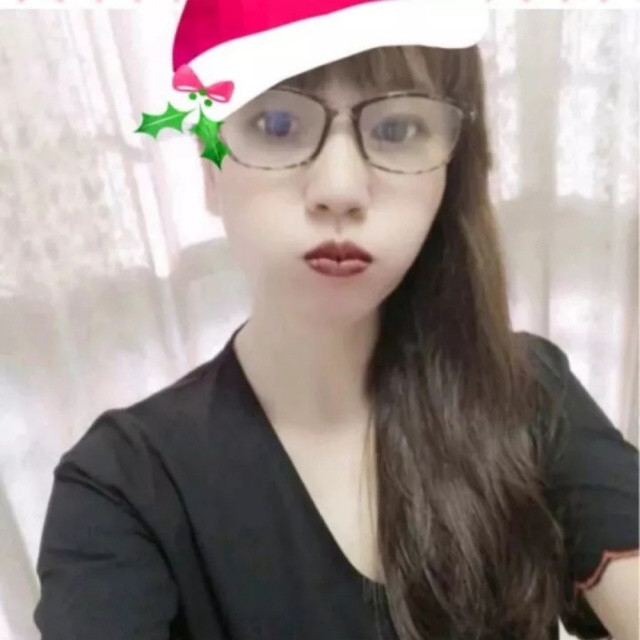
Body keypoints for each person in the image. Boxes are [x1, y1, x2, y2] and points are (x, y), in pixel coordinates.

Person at [33, 1, 639, 640]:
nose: (340, 190)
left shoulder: (527, 392)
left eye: (398, 129)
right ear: (209, 166)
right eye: (276, 123)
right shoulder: (120, 489)